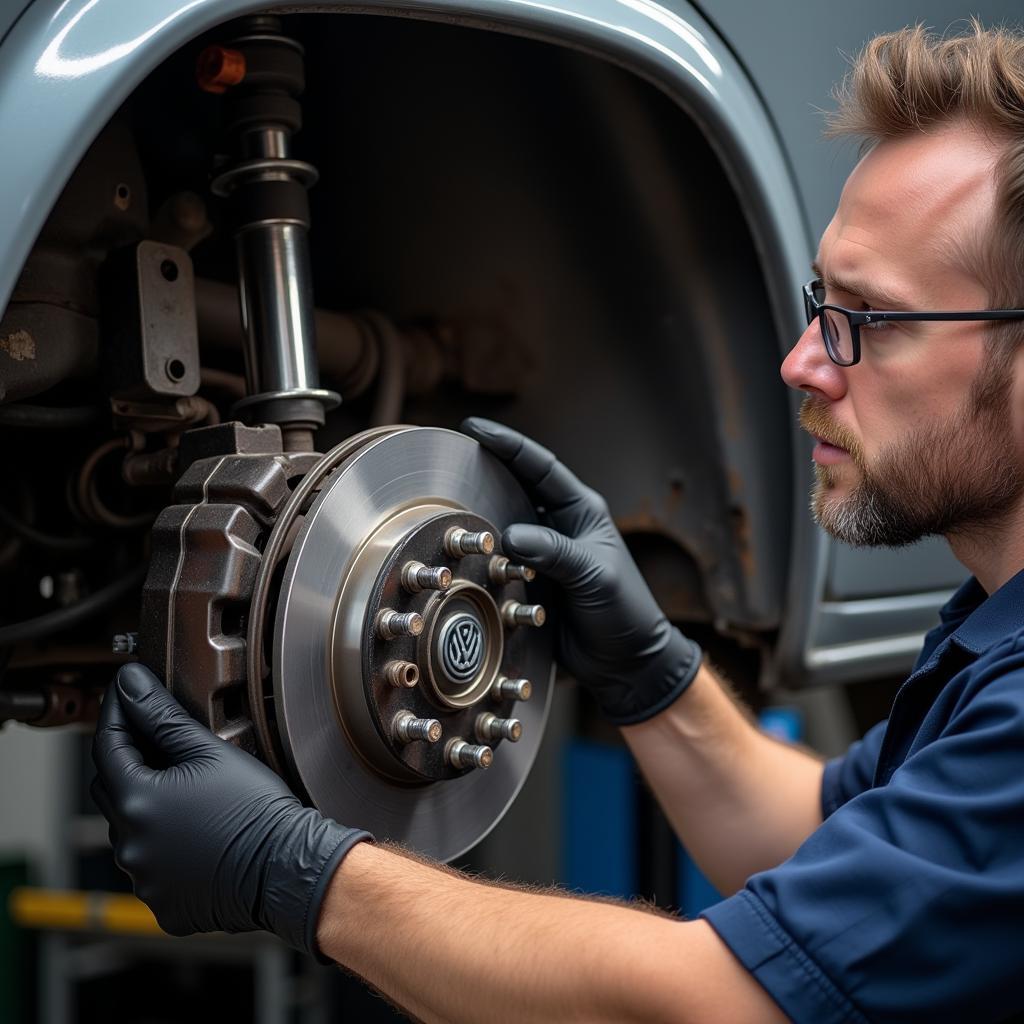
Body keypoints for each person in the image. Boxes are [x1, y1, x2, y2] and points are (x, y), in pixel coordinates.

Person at [92, 23, 1024, 1022]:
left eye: (865, 319)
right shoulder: (987, 636)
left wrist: (296, 871)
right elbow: (813, 842)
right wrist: (651, 676)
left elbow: (716, 1005)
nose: (801, 361)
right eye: (817, 301)